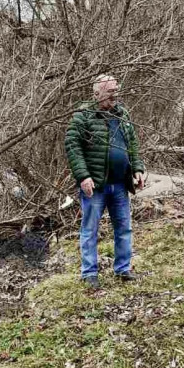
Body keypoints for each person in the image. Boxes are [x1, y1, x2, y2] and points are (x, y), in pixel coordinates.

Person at [64, 74, 146, 289]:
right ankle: (89, 273)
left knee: (124, 227)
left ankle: (123, 269)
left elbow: (133, 145)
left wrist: (137, 169)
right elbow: (73, 146)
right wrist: (83, 176)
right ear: (97, 93)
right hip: (96, 186)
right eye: (111, 92)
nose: (115, 95)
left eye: (117, 91)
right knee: (90, 230)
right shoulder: (83, 116)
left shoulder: (122, 114)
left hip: (120, 184)